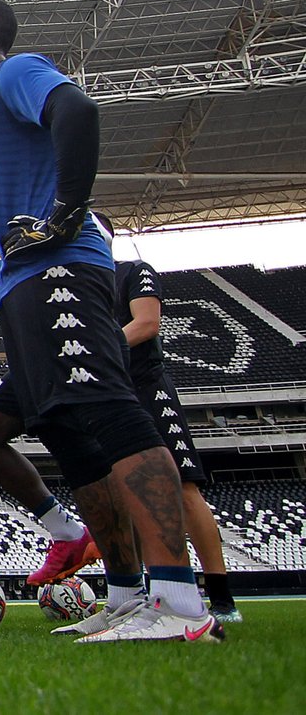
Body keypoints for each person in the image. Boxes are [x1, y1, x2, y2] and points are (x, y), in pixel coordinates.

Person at [0, 0, 220, 643]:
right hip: (28, 283)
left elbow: (78, 109)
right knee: (64, 429)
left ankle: (177, 599)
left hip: (62, 269)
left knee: (111, 411)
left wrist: (64, 211)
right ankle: (124, 594)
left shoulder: (14, 72)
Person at [0, 148, 102, 590]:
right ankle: (68, 533)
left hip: (67, 346)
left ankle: (143, 586)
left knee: (93, 458)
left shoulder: (41, 210)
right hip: (30, 354)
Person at [97, 213, 240, 624]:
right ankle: (140, 594)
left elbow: (146, 322)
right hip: (109, 392)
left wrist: (98, 350)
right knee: (125, 494)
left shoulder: (132, 272)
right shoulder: (80, 284)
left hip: (146, 386)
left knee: (183, 487)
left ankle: (222, 598)